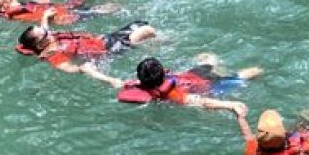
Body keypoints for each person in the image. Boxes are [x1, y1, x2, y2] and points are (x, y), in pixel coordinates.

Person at [15, 13, 156, 79]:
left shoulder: (47, 39)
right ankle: (160, 46)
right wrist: (110, 80)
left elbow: (44, 29)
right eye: (45, 33)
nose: (49, 32)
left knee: (141, 22)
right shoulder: (55, 56)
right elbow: (80, 68)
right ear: (40, 45)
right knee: (147, 31)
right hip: (110, 50)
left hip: (106, 39)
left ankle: (157, 44)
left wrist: (45, 17)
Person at [110, 56, 257, 115]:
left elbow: (202, 101)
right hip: (192, 74)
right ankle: (214, 61)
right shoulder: (167, 81)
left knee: (244, 75)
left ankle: (260, 70)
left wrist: (230, 105)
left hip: (207, 83)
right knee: (209, 60)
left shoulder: (172, 94)